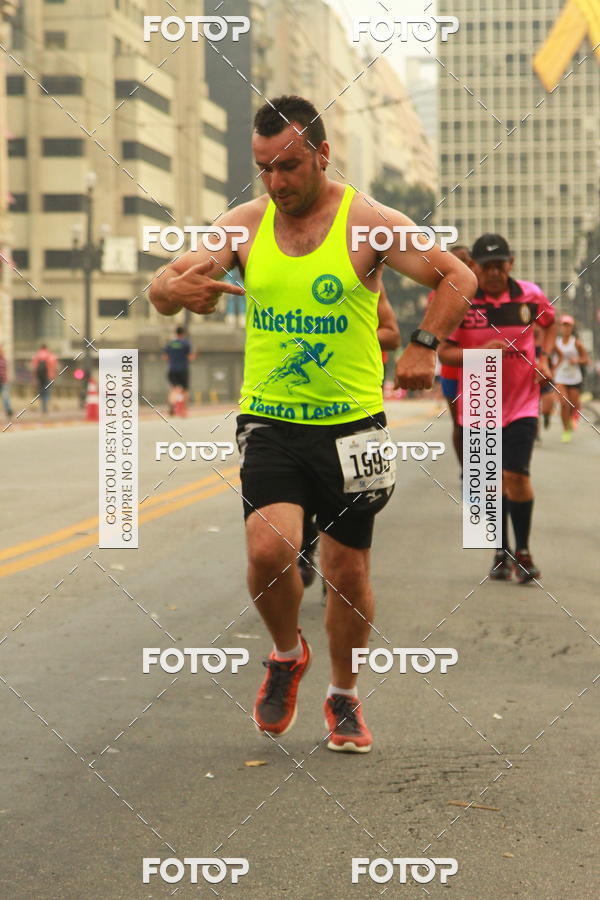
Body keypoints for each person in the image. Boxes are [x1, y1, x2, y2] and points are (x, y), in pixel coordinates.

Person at [149, 94, 476, 753]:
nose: (276, 183)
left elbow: (458, 277)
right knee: (270, 551)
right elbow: (168, 283)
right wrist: (170, 291)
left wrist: (422, 344)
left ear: (323, 155)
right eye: (264, 168)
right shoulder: (245, 225)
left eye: (289, 166)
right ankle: (284, 652)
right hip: (269, 420)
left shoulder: (369, 223)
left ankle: (344, 694)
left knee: (347, 572)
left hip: (354, 427)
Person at [438, 233, 556, 584]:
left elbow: (548, 325)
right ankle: (499, 552)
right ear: (473, 266)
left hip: (522, 401)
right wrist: (481, 353)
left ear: (511, 263)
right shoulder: (460, 300)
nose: (493, 273)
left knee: (516, 475)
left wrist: (545, 358)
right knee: (489, 485)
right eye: (486, 266)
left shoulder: (531, 296)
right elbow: (444, 353)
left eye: (499, 265)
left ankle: (523, 552)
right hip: (478, 399)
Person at [297, 282, 400, 588]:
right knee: (298, 490)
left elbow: (392, 335)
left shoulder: (366, 281)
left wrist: (347, 334)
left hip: (355, 409)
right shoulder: (288, 280)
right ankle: (304, 547)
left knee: (346, 498)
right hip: (296, 407)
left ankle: (336, 572)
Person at [428, 245, 473, 466]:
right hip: (452, 370)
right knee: (460, 424)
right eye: (455, 260)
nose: (460, 264)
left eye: (465, 260)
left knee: (482, 425)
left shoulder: (480, 294)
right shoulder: (436, 293)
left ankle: (485, 471)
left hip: (477, 369)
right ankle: (466, 470)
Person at [553, 314, 589, 443]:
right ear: (561, 327)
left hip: (574, 378)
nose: (566, 328)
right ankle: (566, 429)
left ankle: (574, 415)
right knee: (564, 403)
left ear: (572, 328)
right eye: (564, 325)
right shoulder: (556, 342)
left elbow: (586, 359)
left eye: (568, 326)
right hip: (560, 377)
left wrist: (578, 360)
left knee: (573, 405)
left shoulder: (576, 343)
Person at [163, 326, 194, 413]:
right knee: (184, 390)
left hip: (172, 369)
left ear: (175, 333)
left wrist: (173, 360)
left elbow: (165, 357)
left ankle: (171, 406)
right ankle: (184, 408)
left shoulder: (170, 344)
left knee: (173, 389)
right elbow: (190, 357)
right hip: (183, 369)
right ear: (183, 333)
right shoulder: (186, 344)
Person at [31, 344, 58, 414]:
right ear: (47, 348)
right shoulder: (50, 355)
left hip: (39, 377)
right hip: (49, 376)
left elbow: (34, 368)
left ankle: (43, 406)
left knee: (41, 392)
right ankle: (45, 408)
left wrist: (34, 378)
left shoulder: (36, 356)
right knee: (47, 392)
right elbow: (55, 366)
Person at [0, 346, 13, 419]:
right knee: (5, 396)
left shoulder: (4, 360)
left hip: (4, 381)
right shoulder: (4, 360)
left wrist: (7, 379)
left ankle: (8, 410)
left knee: (5, 396)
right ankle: (8, 410)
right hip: (4, 381)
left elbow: (7, 370)